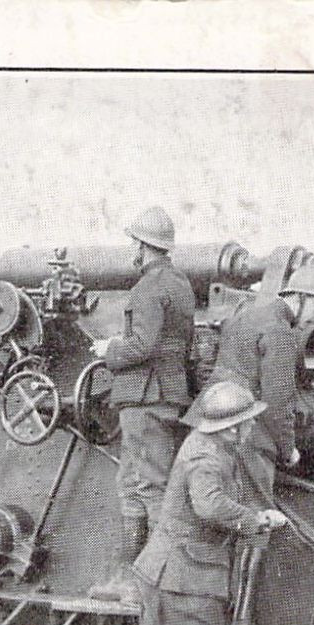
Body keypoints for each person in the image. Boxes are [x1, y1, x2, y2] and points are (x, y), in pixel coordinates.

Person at [99, 381, 289, 625]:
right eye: (247, 422)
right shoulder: (208, 457)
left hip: (160, 569)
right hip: (189, 576)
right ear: (233, 427)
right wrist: (255, 519)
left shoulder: (204, 445)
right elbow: (208, 504)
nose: (251, 428)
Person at [210, 261, 314, 625]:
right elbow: (278, 401)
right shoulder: (281, 333)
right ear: (299, 299)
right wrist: (289, 449)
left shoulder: (249, 314)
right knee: (258, 525)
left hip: (223, 423)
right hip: (252, 434)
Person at [90, 205, 198, 604]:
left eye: (133, 242)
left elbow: (142, 345)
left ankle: (146, 582)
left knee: (145, 486)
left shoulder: (149, 288)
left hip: (144, 397)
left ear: (142, 244)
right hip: (167, 395)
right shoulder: (181, 284)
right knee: (141, 483)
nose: (131, 249)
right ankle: (135, 577)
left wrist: (108, 350)